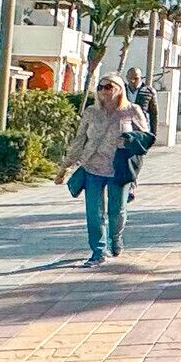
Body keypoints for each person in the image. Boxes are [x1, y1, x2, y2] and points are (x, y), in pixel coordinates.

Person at [59, 74, 153, 265]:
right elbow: (80, 140)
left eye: (109, 87)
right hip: (92, 167)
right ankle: (98, 251)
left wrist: (128, 140)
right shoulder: (91, 112)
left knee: (116, 211)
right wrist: (65, 166)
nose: (104, 91)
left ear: (119, 89)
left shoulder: (131, 110)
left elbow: (145, 138)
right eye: (100, 87)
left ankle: (115, 239)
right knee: (94, 213)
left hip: (119, 168)